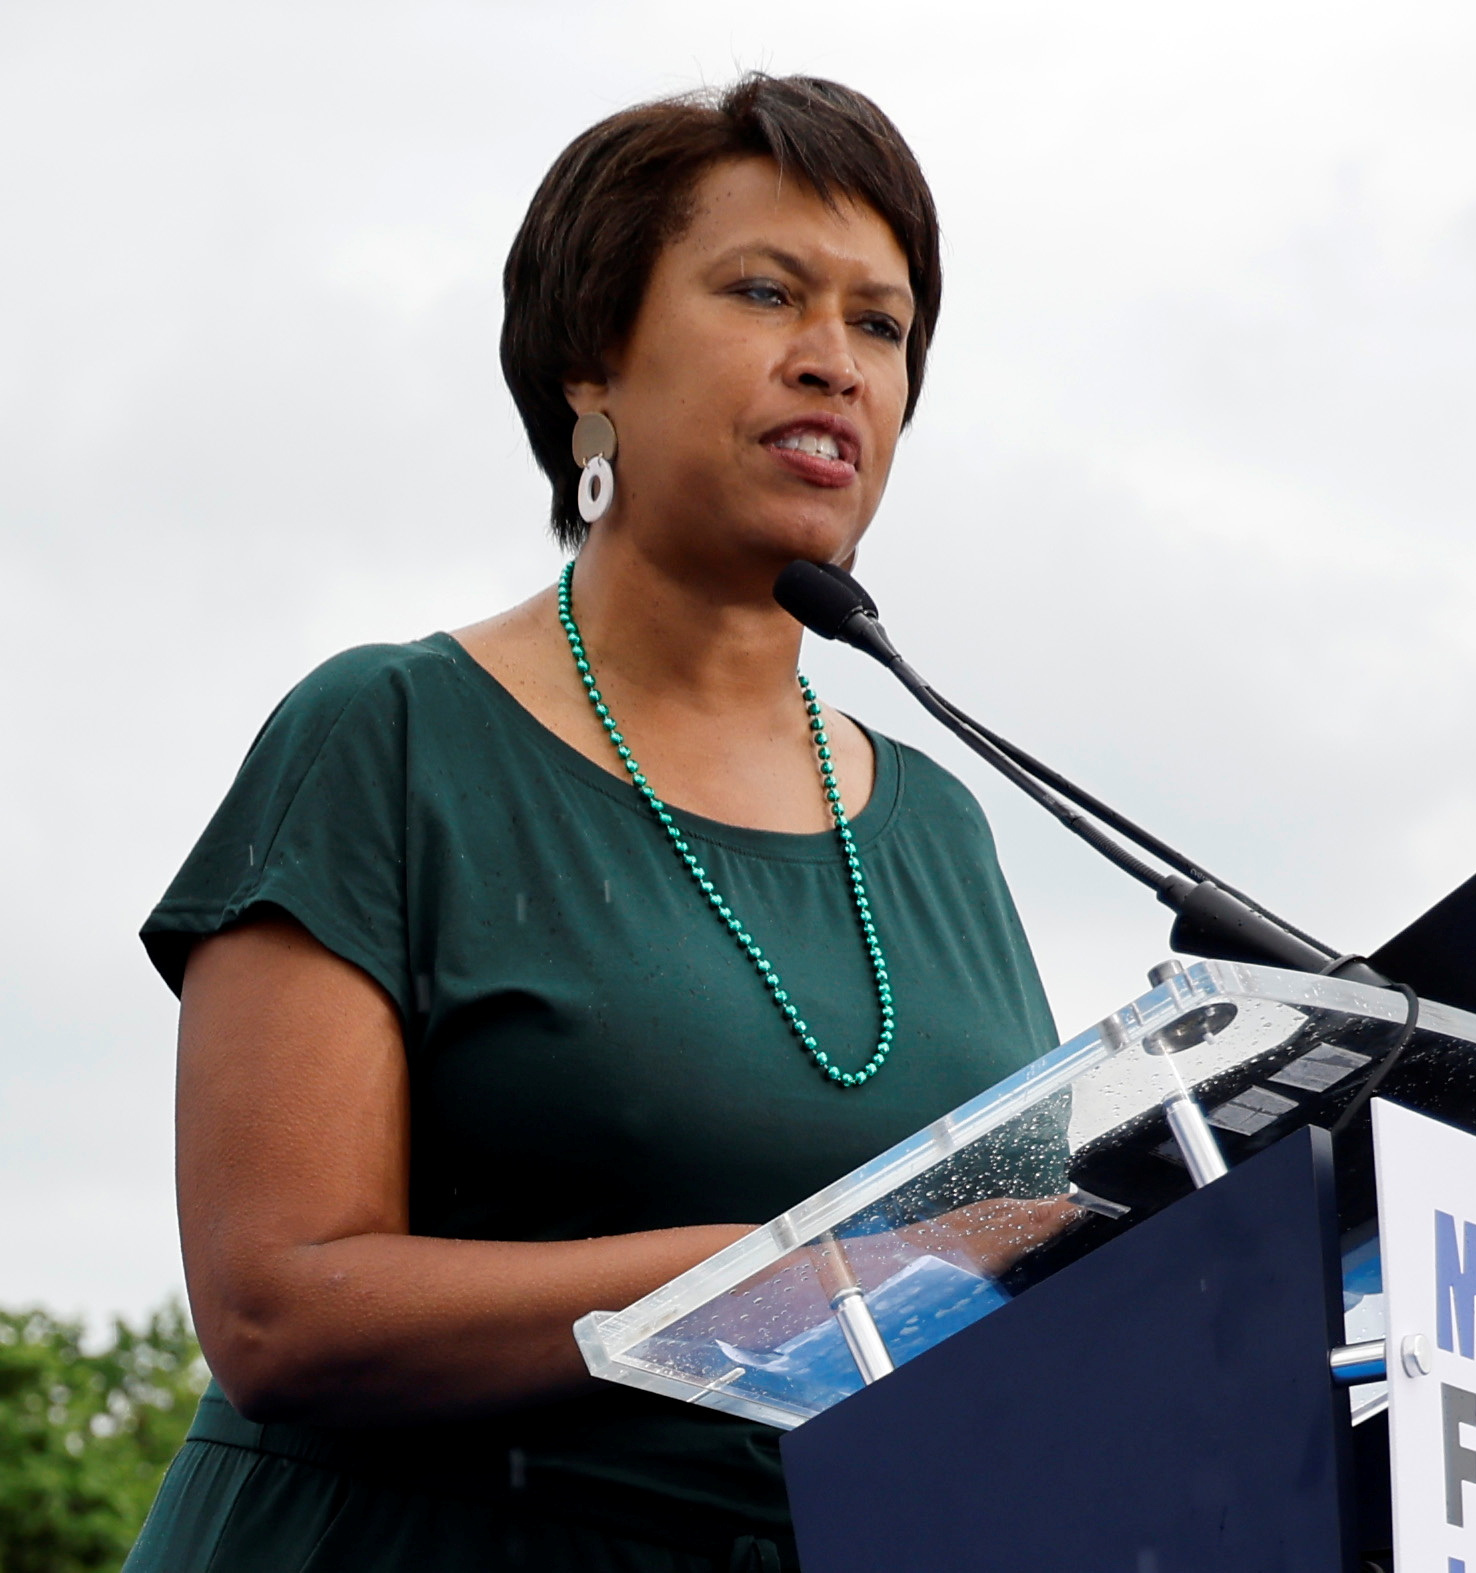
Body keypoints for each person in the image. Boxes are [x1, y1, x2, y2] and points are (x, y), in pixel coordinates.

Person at [125, 74, 1058, 1573]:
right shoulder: (391, 737)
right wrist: (790, 1279)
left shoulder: (940, 822)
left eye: (880, 325)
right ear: (588, 363)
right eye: (766, 292)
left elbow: (1001, 1287)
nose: (834, 363)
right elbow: (275, 1312)